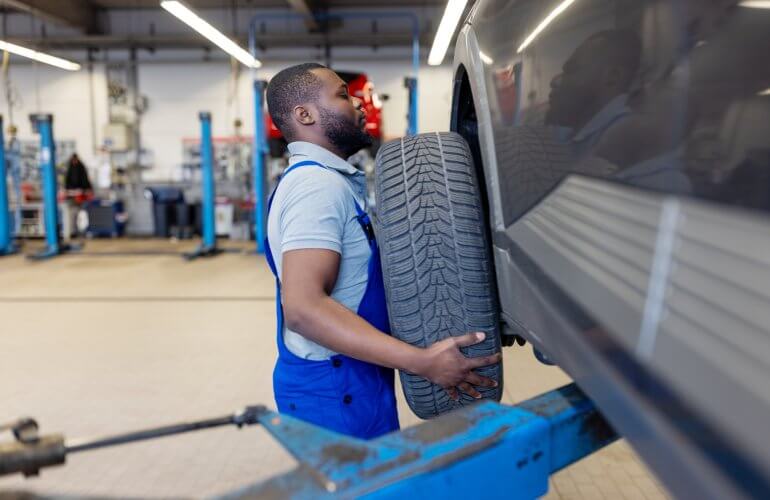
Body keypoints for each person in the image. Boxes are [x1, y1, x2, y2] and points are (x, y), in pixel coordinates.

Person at [264, 63, 500, 439]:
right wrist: (421, 362)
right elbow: (304, 309)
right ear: (304, 114)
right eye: (343, 95)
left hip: (352, 376)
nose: (359, 104)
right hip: (334, 388)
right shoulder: (315, 186)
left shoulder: (325, 182)